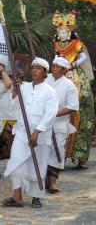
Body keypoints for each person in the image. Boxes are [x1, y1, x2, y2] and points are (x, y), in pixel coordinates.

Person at [3, 57, 58, 208]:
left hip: (40, 134)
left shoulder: (50, 91)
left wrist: (37, 132)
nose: (34, 70)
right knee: (16, 160)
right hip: (21, 131)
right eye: (33, 67)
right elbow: (13, 105)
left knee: (38, 164)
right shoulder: (24, 87)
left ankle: (36, 197)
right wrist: (15, 89)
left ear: (45, 72)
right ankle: (17, 196)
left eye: (38, 68)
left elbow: (50, 114)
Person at [53, 10, 95, 169]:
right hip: (60, 72)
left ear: (69, 31)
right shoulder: (57, 44)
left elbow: (82, 57)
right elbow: (55, 56)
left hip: (75, 73)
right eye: (59, 31)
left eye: (64, 31)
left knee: (83, 109)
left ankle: (80, 157)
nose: (61, 33)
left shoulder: (77, 43)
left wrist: (72, 64)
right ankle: (58, 156)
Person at [45, 57, 79, 193]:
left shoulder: (69, 85)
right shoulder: (45, 79)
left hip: (59, 124)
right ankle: (43, 178)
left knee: (57, 150)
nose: (54, 68)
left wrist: (54, 114)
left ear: (64, 70)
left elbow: (72, 106)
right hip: (42, 123)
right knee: (43, 149)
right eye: (53, 66)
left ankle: (53, 179)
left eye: (57, 66)